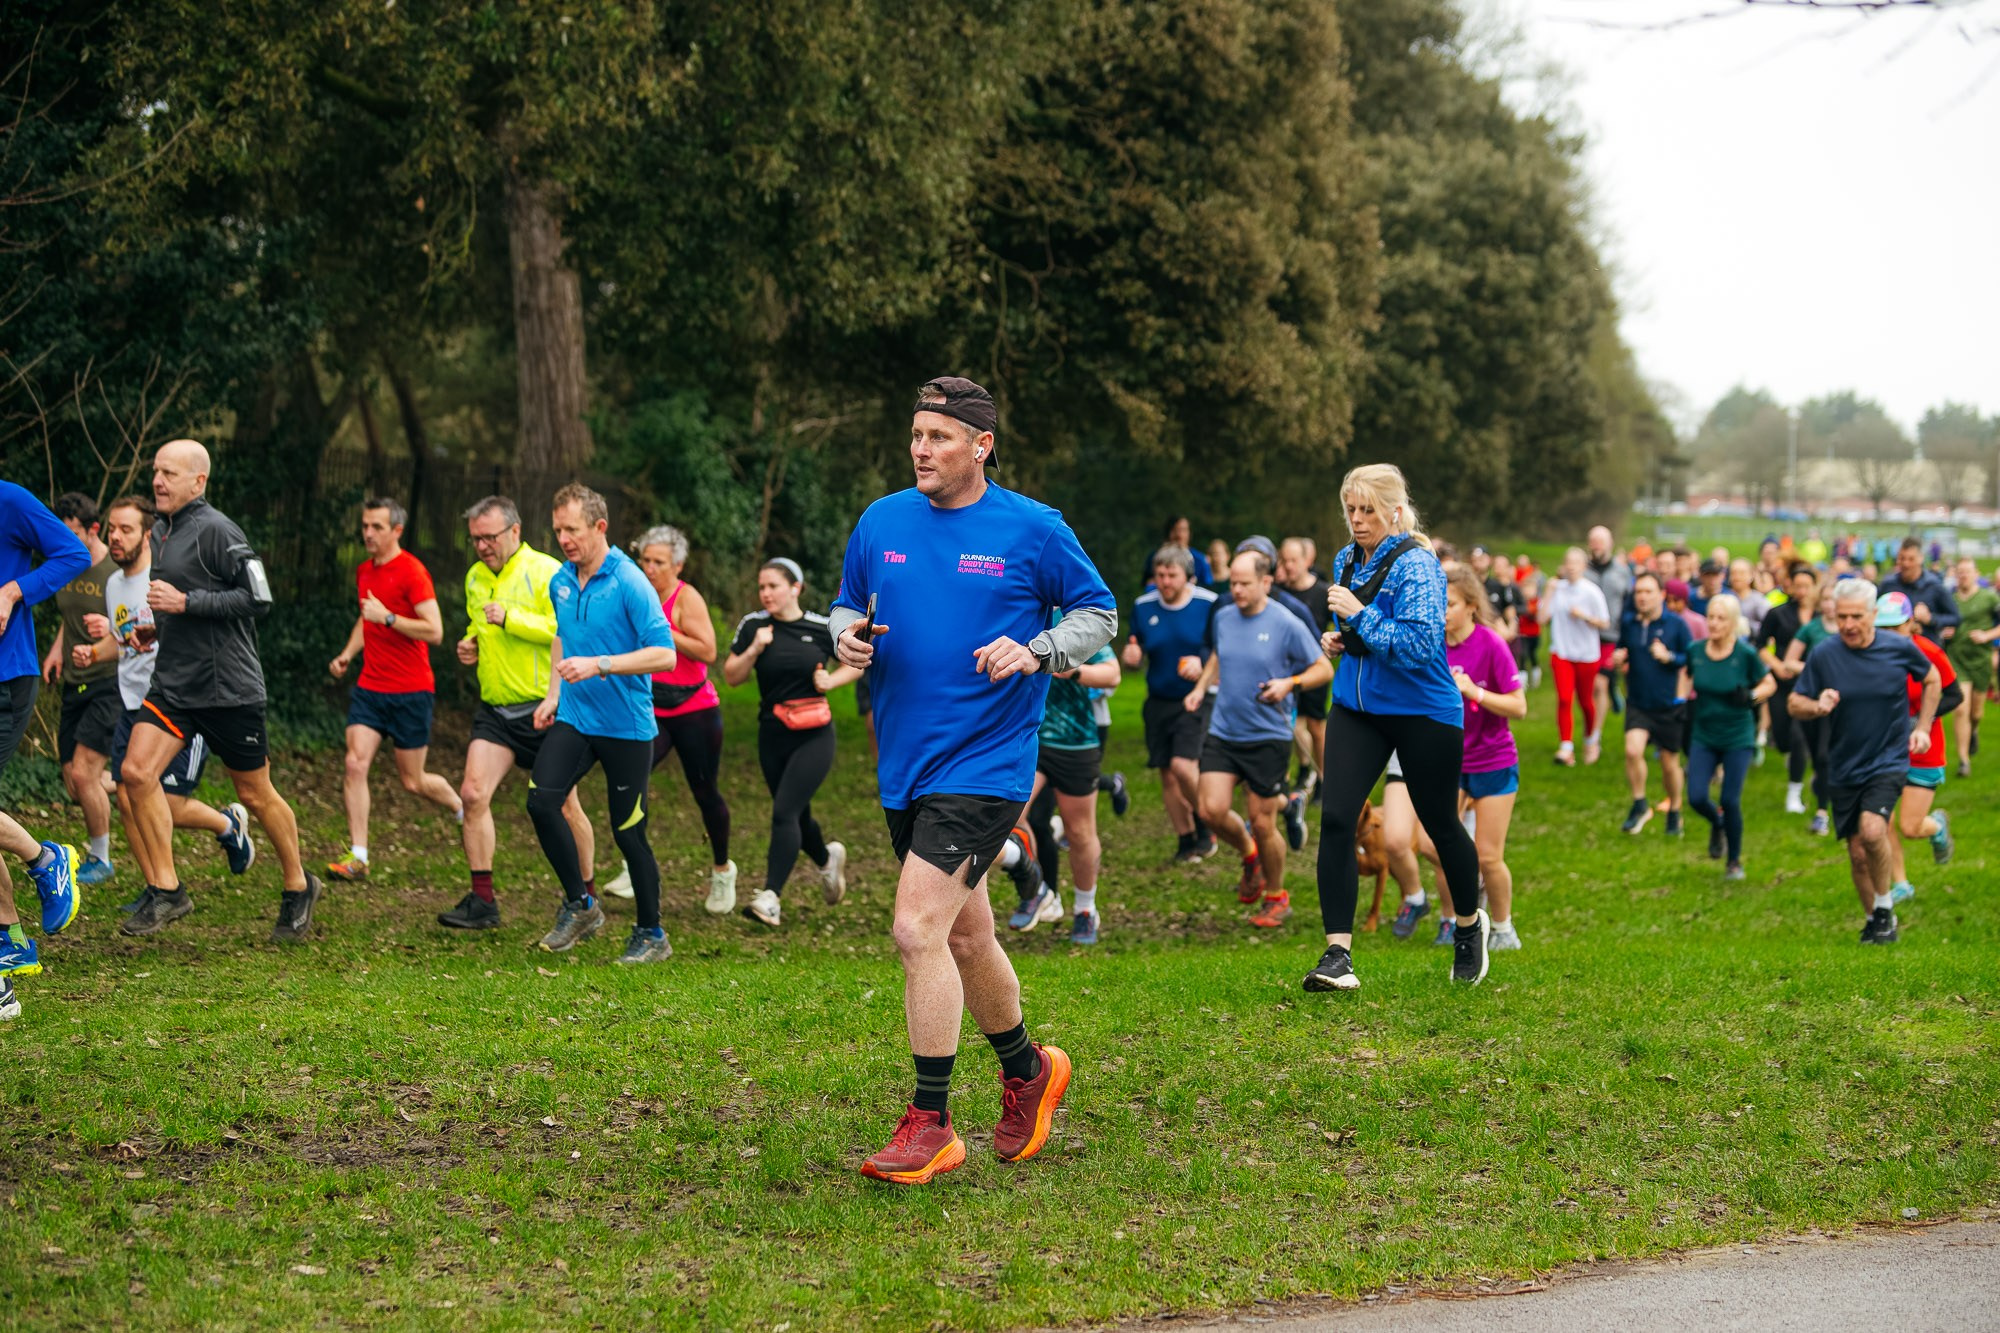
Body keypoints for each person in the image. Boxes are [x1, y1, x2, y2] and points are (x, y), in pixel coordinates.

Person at [831, 375, 1113, 1186]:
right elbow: (845, 604)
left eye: (939, 437)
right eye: (916, 435)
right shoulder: (881, 520)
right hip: (907, 765)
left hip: (988, 766)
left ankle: (931, 1120)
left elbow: (1099, 613)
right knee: (967, 934)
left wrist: (1038, 650)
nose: (921, 449)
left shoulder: (1033, 528)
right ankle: (1029, 1071)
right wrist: (847, 636)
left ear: (981, 445)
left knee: (917, 927)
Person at [120, 441, 322, 942]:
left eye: (169, 473)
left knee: (254, 793)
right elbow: (178, 606)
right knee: (134, 773)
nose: (159, 481)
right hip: (174, 686)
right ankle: (167, 888)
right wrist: (157, 626)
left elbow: (258, 597)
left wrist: (185, 602)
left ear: (199, 481)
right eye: (155, 472)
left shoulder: (218, 529)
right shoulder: (161, 530)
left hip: (228, 690)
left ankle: (298, 886)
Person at [1308, 464, 1492, 993]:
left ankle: (1466, 927)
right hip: (1358, 708)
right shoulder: (1347, 559)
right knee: (1339, 818)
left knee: (1439, 822)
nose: (1358, 521)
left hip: (1422, 711)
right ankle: (1337, 956)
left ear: (1393, 509)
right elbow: (1364, 633)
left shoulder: (1418, 565)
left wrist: (1359, 616)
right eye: (1350, 510)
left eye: (1367, 510)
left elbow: (1418, 646)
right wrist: (1340, 641)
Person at [83, 497, 256, 914]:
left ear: (149, 535)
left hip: (176, 703)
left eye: (126, 529)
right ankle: (157, 886)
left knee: (168, 801)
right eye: (112, 529)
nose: (116, 537)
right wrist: (94, 652)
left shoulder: (163, 581)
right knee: (128, 797)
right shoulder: (112, 586)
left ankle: (227, 825)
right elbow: (128, 642)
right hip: (132, 704)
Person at [527, 484, 678, 963]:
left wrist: (601, 664)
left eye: (572, 529)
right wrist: (554, 692)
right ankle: (581, 905)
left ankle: (651, 933)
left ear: (599, 527)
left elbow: (666, 655)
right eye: (557, 530)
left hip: (626, 728)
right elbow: (561, 635)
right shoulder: (561, 580)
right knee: (541, 801)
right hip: (575, 716)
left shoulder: (630, 581)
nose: (564, 539)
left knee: (628, 832)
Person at [438, 495, 596, 932]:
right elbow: (479, 624)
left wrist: (511, 619)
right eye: (475, 539)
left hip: (548, 708)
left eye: (489, 537)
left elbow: (565, 630)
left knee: (565, 806)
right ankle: (483, 901)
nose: (482, 546)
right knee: (472, 794)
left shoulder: (548, 572)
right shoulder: (474, 578)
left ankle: (586, 897)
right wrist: (470, 643)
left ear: (515, 531)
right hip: (496, 709)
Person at [1185, 548, 1332, 929]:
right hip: (1224, 729)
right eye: (1233, 582)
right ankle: (1249, 855)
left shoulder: (1286, 622)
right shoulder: (1224, 615)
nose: (1236, 590)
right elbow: (1220, 654)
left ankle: (1276, 896)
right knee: (1210, 810)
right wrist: (1202, 686)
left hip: (1268, 734)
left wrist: (1290, 683)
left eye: (1244, 583)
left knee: (1263, 822)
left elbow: (1323, 667)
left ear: (1266, 582)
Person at [1787, 579, 1941, 945]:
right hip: (1843, 765)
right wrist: (1817, 705)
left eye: (1856, 616)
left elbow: (1932, 679)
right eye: (1842, 617)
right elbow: (1795, 703)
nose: (1848, 625)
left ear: (1873, 614)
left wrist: (1923, 727)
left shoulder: (1899, 648)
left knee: (1873, 831)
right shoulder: (1825, 653)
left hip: (1888, 759)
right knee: (1857, 853)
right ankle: (1875, 919)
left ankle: (1885, 907)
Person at [324, 498, 462, 881]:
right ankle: (359, 856)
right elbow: (365, 619)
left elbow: (435, 631)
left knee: (412, 781)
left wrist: (388, 616)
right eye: (365, 526)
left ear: (397, 531)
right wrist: (348, 654)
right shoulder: (365, 570)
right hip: (371, 686)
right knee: (354, 764)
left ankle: (460, 804)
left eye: (377, 527)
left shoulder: (413, 572)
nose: (368, 533)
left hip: (411, 690)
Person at [602, 526, 735, 913]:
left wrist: (665, 632)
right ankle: (632, 864)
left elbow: (708, 650)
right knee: (630, 781)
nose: (649, 568)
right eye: (645, 560)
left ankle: (722, 871)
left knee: (704, 790)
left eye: (658, 562)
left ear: (677, 564)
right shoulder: (634, 593)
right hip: (650, 707)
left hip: (695, 709)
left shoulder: (686, 598)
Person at [721, 557, 857, 928]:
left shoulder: (820, 626)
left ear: (795, 588)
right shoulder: (753, 626)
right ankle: (826, 859)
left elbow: (858, 661)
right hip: (772, 732)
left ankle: (770, 897)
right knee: (796, 813)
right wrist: (754, 650)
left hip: (814, 734)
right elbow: (731, 677)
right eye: (761, 587)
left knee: (784, 812)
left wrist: (832, 681)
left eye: (773, 586)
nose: (765, 593)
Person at [0, 481, 88, 1019]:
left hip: (6, 678)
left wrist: (14, 590)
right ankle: (8, 937)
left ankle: (46, 858)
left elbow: (73, 553)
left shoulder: (8, 500)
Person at [1428, 567, 1527, 948]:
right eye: (1438, 603)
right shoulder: (1433, 645)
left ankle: (1503, 929)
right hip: (1449, 762)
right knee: (1440, 847)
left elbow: (1519, 707)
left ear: (1471, 606)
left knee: (1487, 856)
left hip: (1494, 762)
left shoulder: (1490, 644)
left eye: (1449, 604)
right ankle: (1456, 921)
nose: (1442, 611)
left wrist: (1475, 692)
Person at [1021, 614, 1121, 945]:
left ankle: (1085, 909)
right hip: (1026, 737)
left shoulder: (1074, 619)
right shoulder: (1015, 608)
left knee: (1079, 831)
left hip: (1074, 742)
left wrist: (1073, 670)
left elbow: (1112, 674)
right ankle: (1038, 888)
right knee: (1011, 817)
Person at [1122, 545, 1219, 863]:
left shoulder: (1208, 604)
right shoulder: (1143, 605)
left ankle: (1206, 822)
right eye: (1160, 575)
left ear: (1187, 577)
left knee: (1183, 765)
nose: (1164, 582)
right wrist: (1132, 658)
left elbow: (1223, 648)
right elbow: (1136, 647)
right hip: (1159, 698)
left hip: (1198, 697)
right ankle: (1185, 838)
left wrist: (1201, 661)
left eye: (1171, 575)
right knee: (1167, 773)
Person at [44, 494, 122, 887]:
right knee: (75, 784)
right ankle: (126, 783)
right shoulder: (68, 565)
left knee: (85, 774)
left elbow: (136, 627)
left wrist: (108, 628)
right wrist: (58, 651)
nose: (65, 540)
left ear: (93, 529)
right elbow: (68, 617)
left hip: (110, 682)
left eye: (72, 533)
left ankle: (101, 858)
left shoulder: (114, 572)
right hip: (74, 680)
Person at [1683, 594, 1774, 881]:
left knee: (1730, 799)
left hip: (1737, 736)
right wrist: (1679, 701)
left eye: (1721, 618)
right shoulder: (1695, 650)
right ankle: (1717, 822)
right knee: (1696, 796)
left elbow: (1769, 683)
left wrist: (1751, 697)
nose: (1713, 623)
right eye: (1710, 616)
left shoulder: (1745, 654)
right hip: (1704, 734)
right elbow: (1688, 675)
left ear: (1733, 622)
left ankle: (1734, 861)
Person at [1874, 593, 1956, 905]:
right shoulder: (1872, 654)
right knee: (1882, 820)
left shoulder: (1928, 652)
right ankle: (1901, 883)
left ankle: (1936, 826)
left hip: (1923, 748)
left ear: (1911, 624)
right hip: (1885, 749)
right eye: (1882, 627)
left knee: (1910, 826)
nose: (1888, 634)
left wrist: (1920, 720)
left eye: (1895, 627)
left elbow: (1953, 695)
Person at [1610, 571, 1691, 836]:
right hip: (1638, 702)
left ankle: (1675, 810)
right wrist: (1620, 659)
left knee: (1669, 764)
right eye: (1639, 592)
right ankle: (1639, 803)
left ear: (1662, 595)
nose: (1642, 597)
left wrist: (1669, 657)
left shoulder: (1676, 625)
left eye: (1648, 592)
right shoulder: (1630, 624)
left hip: (1668, 705)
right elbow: (1621, 651)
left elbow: (1690, 659)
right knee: (1633, 751)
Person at [1758, 563, 1822, 815]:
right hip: (1783, 683)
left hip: (1811, 686)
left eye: (1807, 586)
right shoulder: (1778, 614)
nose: (1803, 591)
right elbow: (1761, 644)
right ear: (1790, 586)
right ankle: (1791, 756)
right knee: (1783, 737)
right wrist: (1776, 665)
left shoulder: (1822, 617)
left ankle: (1794, 791)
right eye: (1798, 586)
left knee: (1799, 737)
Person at [1540, 547, 1610, 767]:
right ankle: (1566, 747)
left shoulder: (1591, 591)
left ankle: (1591, 740)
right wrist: (1549, 592)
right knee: (1564, 698)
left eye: (1576, 562)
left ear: (1583, 566)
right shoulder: (1557, 588)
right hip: (1562, 652)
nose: (1571, 566)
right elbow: (1542, 619)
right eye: (1568, 562)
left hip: (1587, 655)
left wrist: (1585, 617)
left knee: (1585, 702)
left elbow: (1605, 622)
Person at [1278, 536, 1334, 803]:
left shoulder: (1323, 592)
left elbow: (1337, 628)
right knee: (1289, 726)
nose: (1288, 566)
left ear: (1306, 561)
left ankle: (1324, 778)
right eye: (1284, 560)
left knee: (1315, 726)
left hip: (1314, 669)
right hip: (1284, 670)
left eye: (1293, 560)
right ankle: (1300, 772)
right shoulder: (1279, 592)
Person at [1781, 586, 1838, 836]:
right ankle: (1822, 783)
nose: (1829, 605)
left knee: (1826, 755)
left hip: (1840, 703)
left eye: (1834, 600)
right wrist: (1813, 668)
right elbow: (1789, 661)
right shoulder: (1811, 629)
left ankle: (1822, 813)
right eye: (1825, 599)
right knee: (1816, 754)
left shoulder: (1850, 632)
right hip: (1811, 701)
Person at [1944, 557, 1996, 777]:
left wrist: (1987, 635)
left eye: (1967, 572)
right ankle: (1964, 761)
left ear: (1976, 574)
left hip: (1981, 660)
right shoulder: (1950, 599)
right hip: (1957, 658)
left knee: (1976, 712)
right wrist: (1944, 632)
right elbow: (1940, 621)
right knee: (1960, 708)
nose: (1963, 575)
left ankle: (1974, 729)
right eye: (1960, 572)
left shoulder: (1989, 598)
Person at [1582, 526, 1630, 737]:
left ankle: (1595, 735)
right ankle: (1591, 723)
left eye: (1601, 541)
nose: (1597, 546)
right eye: (1593, 541)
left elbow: (1628, 603)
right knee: (1588, 688)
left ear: (1610, 543)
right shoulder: (1582, 571)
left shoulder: (1622, 572)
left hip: (1610, 637)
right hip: (1584, 637)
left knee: (1600, 684)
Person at [1877, 537, 1959, 634]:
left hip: (1924, 645)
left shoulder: (1934, 586)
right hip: (1893, 645)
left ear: (1921, 559)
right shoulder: (1888, 585)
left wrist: (1930, 619)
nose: (1906, 564)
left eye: (1911, 559)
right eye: (1902, 558)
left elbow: (1955, 617)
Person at [1140, 516, 1213, 590]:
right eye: (1175, 530)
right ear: (1168, 532)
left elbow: (1208, 587)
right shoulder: (1155, 557)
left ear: (1190, 533)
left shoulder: (1200, 560)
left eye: (1183, 530)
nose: (1179, 534)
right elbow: (1147, 584)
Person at [1511, 554, 1544, 686]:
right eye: (1525, 588)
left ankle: (1536, 675)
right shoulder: (1520, 602)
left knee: (1532, 655)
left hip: (1534, 634)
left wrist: (1527, 610)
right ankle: (1522, 682)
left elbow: (1535, 614)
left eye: (1531, 588)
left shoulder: (1537, 602)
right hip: (1522, 633)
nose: (1528, 591)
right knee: (1522, 656)